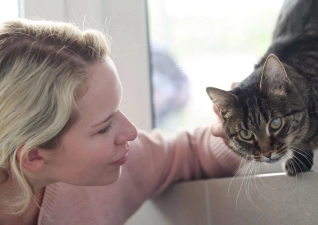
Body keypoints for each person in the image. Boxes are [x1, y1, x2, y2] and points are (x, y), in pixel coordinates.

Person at [0, 18, 241, 225]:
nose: (131, 132)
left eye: (116, 109)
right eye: (104, 127)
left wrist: (234, 133)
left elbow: (188, 153)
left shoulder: (110, 166)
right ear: (33, 156)